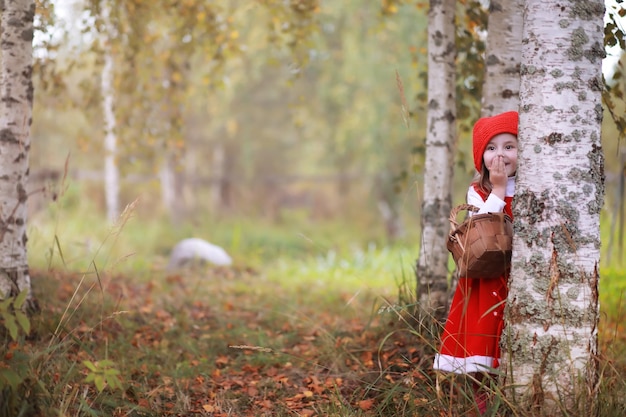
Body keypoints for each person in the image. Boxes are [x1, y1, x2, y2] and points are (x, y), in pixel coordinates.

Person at [432, 110, 519, 414]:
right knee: (481, 345)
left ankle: (512, 401)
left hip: (517, 279)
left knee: (509, 344)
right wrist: (497, 189)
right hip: (485, 280)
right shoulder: (478, 190)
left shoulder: (533, 185)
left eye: (509, 146)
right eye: (491, 149)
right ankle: (485, 406)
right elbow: (482, 227)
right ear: (481, 158)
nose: (500, 155)